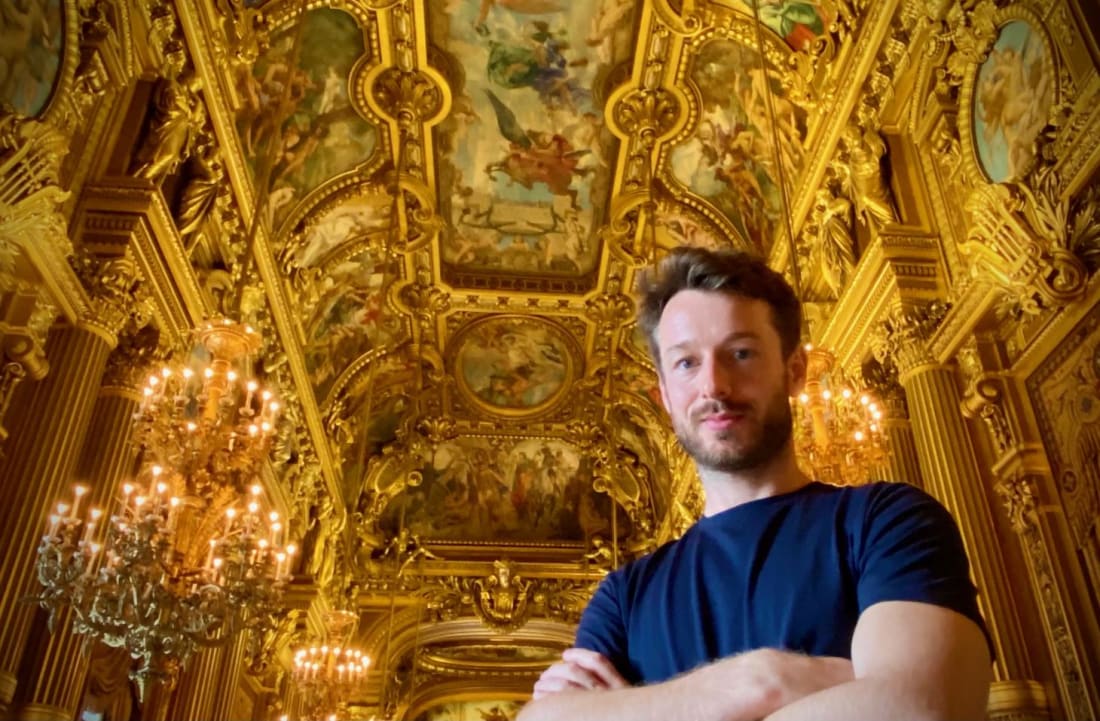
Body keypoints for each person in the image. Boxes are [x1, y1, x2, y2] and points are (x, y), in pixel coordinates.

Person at [520, 247, 993, 721]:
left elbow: (919, 708)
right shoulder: (624, 596)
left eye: (741, 353)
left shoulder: (886, 521)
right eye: (686, 363)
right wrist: (766, 679)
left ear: (794, 371)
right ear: (664, 396)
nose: (714, 386)